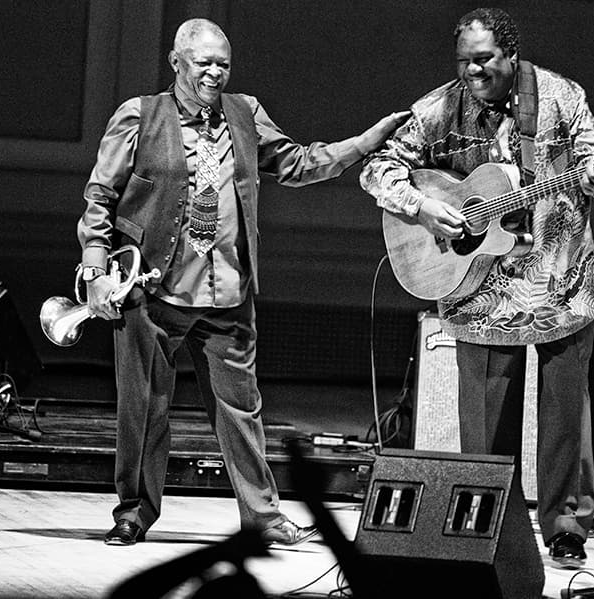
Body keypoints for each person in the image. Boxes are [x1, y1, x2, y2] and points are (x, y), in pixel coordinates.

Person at [77, 18, 408, 546]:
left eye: (223, 64)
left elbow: (298, 163)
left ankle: (265, 518)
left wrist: (363, 143)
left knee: (242, 412)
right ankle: (133, 515)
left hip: (227, 292)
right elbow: (100, 196)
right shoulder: (139, 116)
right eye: (203, 62)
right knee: (144, 408)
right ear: (176, 62)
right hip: (154, 290)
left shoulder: (245, 112)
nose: (214, 72)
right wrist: (95, 266)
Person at [360, 8, 594, 568]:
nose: (472, 72)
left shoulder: (561, 97)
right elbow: (377, 169)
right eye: (463, 62)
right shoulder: (439, 107)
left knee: (564, 417)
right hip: (479, 293)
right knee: (484, 425)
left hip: (561, 281)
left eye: (483, 60)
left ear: (511, 54)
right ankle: (487, 526)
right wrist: (425, 206)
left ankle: (566, 527)